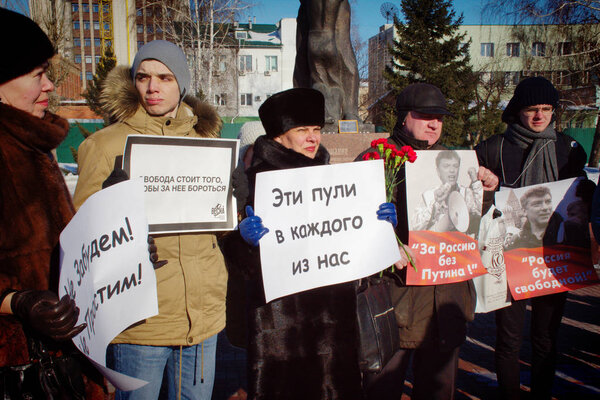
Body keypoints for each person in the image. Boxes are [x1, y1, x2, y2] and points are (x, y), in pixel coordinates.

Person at [73, 40, 226, 400]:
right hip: (142, 323)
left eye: (165, 77)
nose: (152, 87)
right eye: (143, 77)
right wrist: (107, 213)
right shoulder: (105, 145)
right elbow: (84, 240)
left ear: (182, 83)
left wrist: (235, 197)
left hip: (203, 317)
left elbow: (216, 228)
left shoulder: (206, 140)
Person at [231, 87, 396, 400]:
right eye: (302, 130)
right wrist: (245, 243)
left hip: (336, 323)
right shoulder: (255, 182)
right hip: (283, 332)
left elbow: (352, 243)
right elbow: (238, 266)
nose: (313, 138)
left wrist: (381, 227)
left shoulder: (333, 178)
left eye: (317, 129)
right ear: (279, 135)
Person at [0, 7, 114, 399]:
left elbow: (62, 248)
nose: (51, 85)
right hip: (17, 373)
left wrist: (120, 250)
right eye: (37, 75)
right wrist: (17, 302)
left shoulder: (35, 144)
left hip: (65, 357)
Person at [359, 83, 499, 400]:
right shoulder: (374, 158)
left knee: (438, 391)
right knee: (382, 389)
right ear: (403, 117)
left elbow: (473, 228)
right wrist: (384, 241)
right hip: (397, 301)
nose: (434, 124)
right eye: (425, 116)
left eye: (439, 117)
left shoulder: (456, 163)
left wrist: (484, 191)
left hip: (446, 301)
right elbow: (353, 228)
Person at [475, 76, 588, 399]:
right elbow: (473, 196)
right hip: (510, 258)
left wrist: (585, 199)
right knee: (508, 338)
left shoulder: (569, 149)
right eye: (532, 110)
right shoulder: (493, 148)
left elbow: (580, 196)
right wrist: (487, 186)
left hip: (554, 259)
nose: (540, 116)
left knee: (546, 338)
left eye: (547, 109)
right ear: (517, 111)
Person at [412, 150, 482, 234]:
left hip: (459, 244)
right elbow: (416, 227)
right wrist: (436, 202)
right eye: (446, 166)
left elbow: (480, 215)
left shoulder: (466, 193)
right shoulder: (429, 195)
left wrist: (475, 182)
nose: (452, 170)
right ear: (438, 171)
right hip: (435, 244)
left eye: (455, 166)